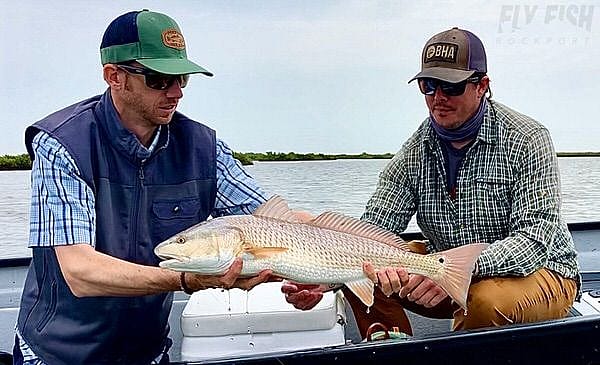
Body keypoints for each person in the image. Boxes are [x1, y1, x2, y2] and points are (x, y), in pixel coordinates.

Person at [14, 10, 276, 365]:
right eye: (159, 79)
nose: (176, 92)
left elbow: (273, 222)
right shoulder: (63, 144)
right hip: (57, 355)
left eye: (182, 78)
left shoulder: (203, 147)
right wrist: (186, 280)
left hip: (147, 353)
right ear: (114, 76)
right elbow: (80, 273)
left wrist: (310, 277)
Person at [282, 27, 580, 337]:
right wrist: (323, 279)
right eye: (428, 85)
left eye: (451, 87)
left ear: (482, 86)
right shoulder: (414, 152)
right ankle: (393, 348)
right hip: (443, 271)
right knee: (369, 273)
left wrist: (458, 269)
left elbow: (534, 241)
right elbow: (372, 231)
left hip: (543, 273)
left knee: (484, 301)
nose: (438, 98)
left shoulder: (527, 139)